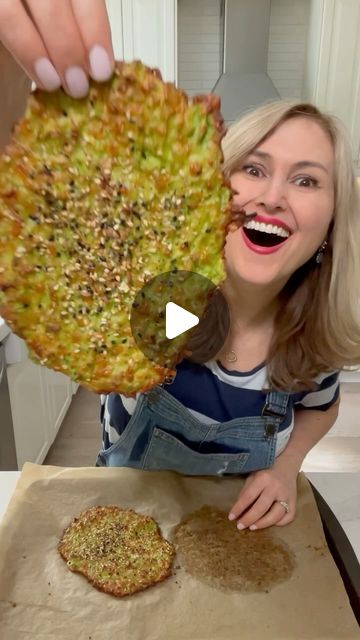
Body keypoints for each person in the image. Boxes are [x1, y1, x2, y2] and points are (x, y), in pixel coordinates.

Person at [1, 1, 360, 533]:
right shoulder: (175, 309)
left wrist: (286, 467)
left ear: (332, 223)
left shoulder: (311, 335)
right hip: (123, 518)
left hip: (236, 534)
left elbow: (321, 407)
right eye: (254, 168)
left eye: (306, 180)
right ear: (213, 191)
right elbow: (43, 206)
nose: (273, 196)